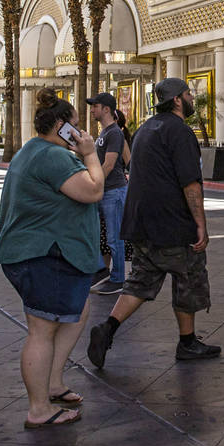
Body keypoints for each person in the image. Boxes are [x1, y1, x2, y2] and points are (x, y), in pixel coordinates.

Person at [86, 78, 221, 367]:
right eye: (188, 94)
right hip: (172, 223)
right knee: (188, 277)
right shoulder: (181, 132)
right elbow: (190, 184)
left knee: (141, 281)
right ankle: (187, 342)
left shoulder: (146, 128)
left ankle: (107, 327)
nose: (191, 98)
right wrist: (201, 224)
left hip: (141, 222)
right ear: (176, 100)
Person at [0, 89, 105, 429]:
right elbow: (93, 190)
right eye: (73, 126)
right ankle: (39, 408)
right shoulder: (53, 157)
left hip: (41, 254)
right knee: (42, 330)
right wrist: (90, 154)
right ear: (60, 126)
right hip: (45, 255)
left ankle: (53, 382)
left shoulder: (34, 150)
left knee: (76, 312)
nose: (78, 132)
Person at [87, 92, 129, 295]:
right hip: (105, 191)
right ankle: (101, 271)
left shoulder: (114, 133)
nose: (92, 109)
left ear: (106, 109)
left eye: (95, 106)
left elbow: (109, 164)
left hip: (113, 191)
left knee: (114, 238)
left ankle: (118, 278)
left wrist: (94, 184)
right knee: (95, 232)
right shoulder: (104, 133)